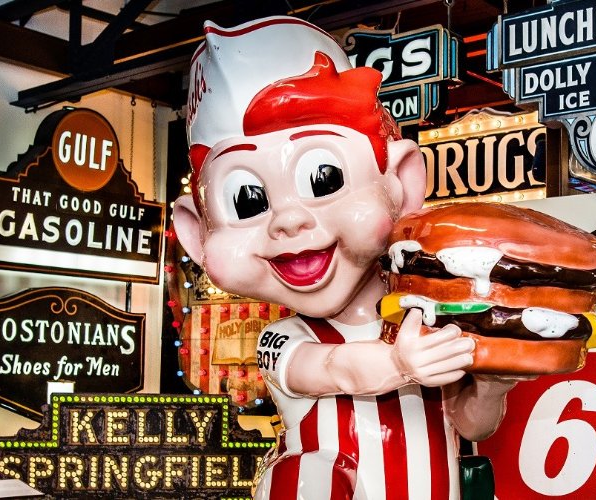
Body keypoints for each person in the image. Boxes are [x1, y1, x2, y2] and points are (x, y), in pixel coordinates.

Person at [171, 16, 520, 500]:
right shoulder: (282, 341)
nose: (287, 222)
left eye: (323, 179)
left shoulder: (430, 318)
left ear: (402, 183)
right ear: (196, 234)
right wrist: (402, 362)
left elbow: (467, 425)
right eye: (249, 200)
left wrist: (492, 386)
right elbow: (335, 369)